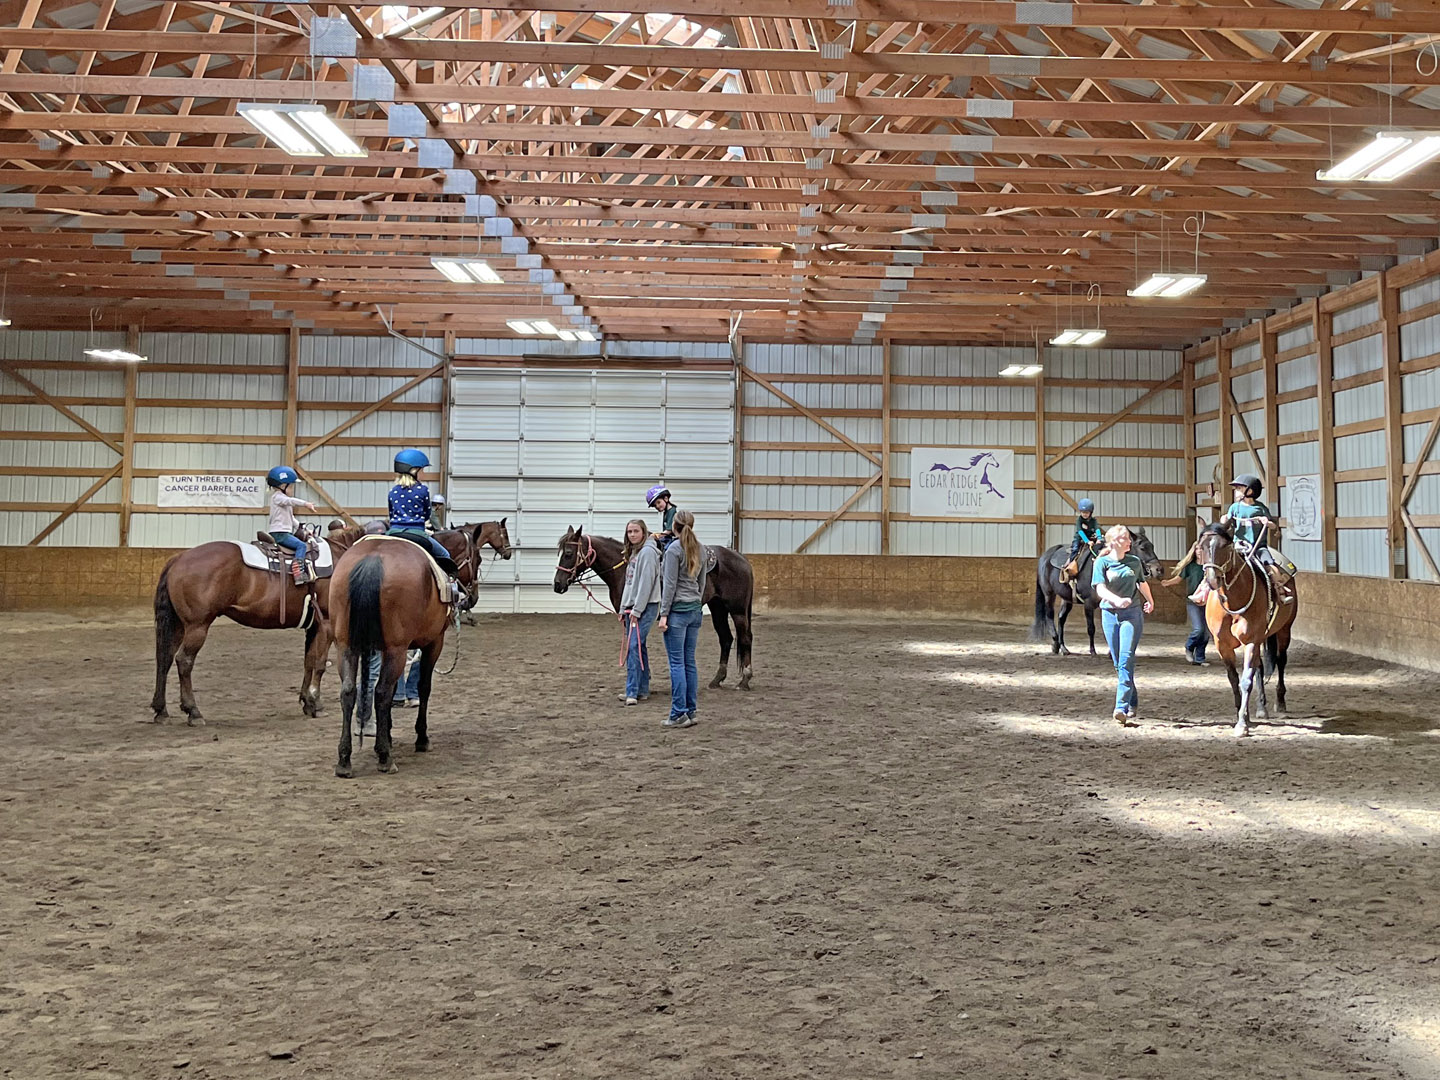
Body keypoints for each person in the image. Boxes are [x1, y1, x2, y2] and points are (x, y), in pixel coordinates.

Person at [1092, 523, 1155, 726]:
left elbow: (1141, 583)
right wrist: (1116, 601)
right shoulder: (1102, 563)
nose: (1129, 541)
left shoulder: (1134, 562)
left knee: (1126, 658)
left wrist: (1150, 600)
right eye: (1126, 538)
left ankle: (1121, 707)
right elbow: (1100, 589)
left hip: (1131, 614)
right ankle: (1132, 699)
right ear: (1114, 542)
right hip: (1109, 614)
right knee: (1118, 662)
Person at [658, 509, 708, 729]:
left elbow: (669, 585)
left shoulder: (673, 550)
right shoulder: (701, 549)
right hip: (694, 609)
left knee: (676, 663)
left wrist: (663, 614)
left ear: (674, 526)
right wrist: (697, 603)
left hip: (677, 611)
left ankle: (678, 713)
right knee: (689, 662)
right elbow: (702, 583)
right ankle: (691, 710)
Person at [1219, 474, 1294, 601]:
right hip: (1239, 546)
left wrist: (1266, 522)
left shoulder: (1260, 508)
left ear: (1250, 491)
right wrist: (1224, 518)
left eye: (1239, 488)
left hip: (1258, 547)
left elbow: (1273, 526)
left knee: (1271, 566)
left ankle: (1280, 591)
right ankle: (1205, 590)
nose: (1236, 491)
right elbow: (1225, 521)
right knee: (1218, 563)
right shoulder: (1235, 507)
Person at [386, 449, 459, 576]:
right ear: (414, 471)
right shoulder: (422, 490)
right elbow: (426, 514)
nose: (424, 474)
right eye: (422, 470)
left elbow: (391, 513)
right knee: (445, 554)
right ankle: (450, 584)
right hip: (417, 533)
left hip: (394, 532)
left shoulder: (393, 491)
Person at [618, 518, 662, 707]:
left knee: (633, 646)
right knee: (638, 646)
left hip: (645, 606)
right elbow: (629, 584)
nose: (632, 535)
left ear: (644, 532)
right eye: (630, 532)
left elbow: (646, 584)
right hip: (633, 606)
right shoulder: (635, 553)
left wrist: (636, 610)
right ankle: (642, 689)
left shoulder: (648, 553)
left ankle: (632, 691)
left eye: (636, 531)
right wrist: (623, 608)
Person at [265, 466, 318, 582]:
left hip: (283, 532)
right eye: (291, 486)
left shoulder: (281, 499)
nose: (293, 489)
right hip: (280, 533)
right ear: (283, 486)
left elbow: (292, 519)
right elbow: (291, 501)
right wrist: (305, 504)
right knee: (301, 546)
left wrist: (305, 529)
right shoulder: (278, 497)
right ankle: (298, 573)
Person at [1161, 539, 1211, 666]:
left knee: (1206, 633)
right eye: (1197, 549)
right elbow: (1178, 579)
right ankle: (1189, 646)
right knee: (1198, 629)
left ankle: (1200, 658)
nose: (1199, 551)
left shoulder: (1210, 567)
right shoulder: (1191, 566)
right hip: (1193, 602)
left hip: (1208, 602)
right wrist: (1167, 582)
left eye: (1202, 549)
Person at [1060, 498, 1103, 583]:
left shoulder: (1094, 520)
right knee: (1075, 549)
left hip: (1091, 538)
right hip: (1079, 538)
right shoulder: (1079, 520)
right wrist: (1087, 541)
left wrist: (1099, 538)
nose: (1084, 514)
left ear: (1090, 512)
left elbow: (1097, 529)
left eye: (1086, 512)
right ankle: (1070, 565)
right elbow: (1080, 531)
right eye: (1083, 512)